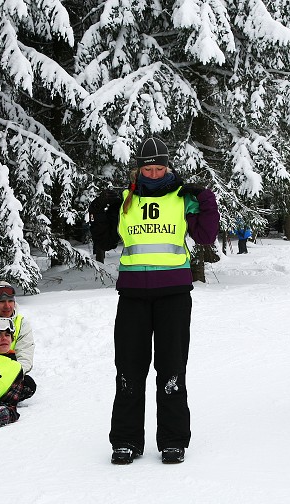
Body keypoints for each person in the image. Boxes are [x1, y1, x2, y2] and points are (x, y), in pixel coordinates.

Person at [88, 136, 220, 464]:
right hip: (132, 295)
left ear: (168, 166)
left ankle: (173, 440)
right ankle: (126, 440)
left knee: (171, 369)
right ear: (139, 169)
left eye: (160, 167)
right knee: (128, 370)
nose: (156, 173)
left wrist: (206, 201)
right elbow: (103, 240)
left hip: (173, 295)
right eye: (149, 168)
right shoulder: (125, 201)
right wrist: (99, 211)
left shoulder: (182, 198)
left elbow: (205, 236)